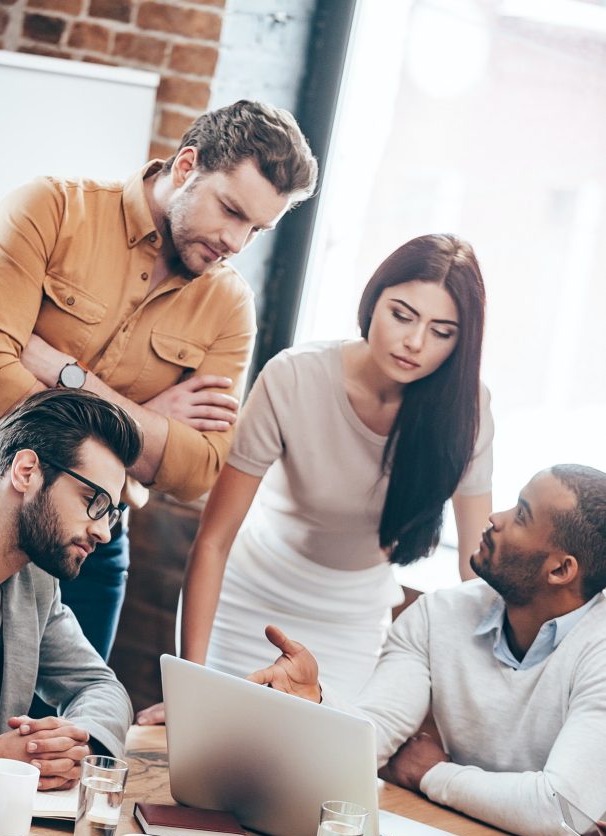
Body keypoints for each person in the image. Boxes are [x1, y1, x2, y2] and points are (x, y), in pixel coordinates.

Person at [0, 100, 318, 660]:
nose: (237, 242)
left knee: (68, 732)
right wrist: (149, 421)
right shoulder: (50, 210)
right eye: (232, 211)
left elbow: (197, 471)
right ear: (186, 166)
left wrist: (67, 373)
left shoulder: (230, 307)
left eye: (258, 228)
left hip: (92, 542)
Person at [248, 464, 606, 836]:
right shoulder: (441, 614)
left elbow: (558, 813)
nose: (494, 518)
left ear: (562, 568)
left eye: (521, 514)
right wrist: (314, 701)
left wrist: (430, 774)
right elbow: (371, 740)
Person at [139, 233, 493, 723]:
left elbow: (473, 574)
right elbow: (214, 541)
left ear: (461, 342)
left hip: (351, 622)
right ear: (373, 302)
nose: (415, 342)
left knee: (320, 780)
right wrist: (188, 682)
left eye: (442, 331)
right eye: (402, 315)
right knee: (214, 747)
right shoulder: (295, 376)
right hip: (249, 601)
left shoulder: (466, 410)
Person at [0, 389, 143, 794]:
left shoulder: (36, 582)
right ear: (26, 471)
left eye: (111, 512)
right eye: (92, 501)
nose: (103, 530)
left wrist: (71, 749)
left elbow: (100, 687)